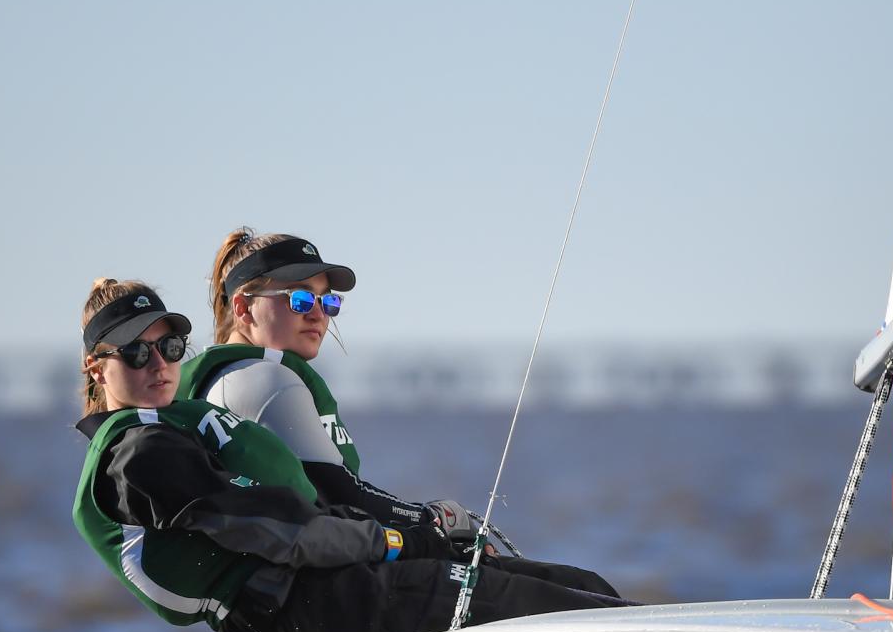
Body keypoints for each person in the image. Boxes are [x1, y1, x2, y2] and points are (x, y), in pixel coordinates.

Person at [74, 279, 631, 632]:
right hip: (314, 608)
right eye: (135, 352)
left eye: (169, 347)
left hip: (329, 592)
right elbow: (281, 530)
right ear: (98, 368)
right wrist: (400, 538)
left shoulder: (170, 426)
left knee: (577, 584)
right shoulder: (136, 455)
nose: (158, 363)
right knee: (564, 607)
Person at [180, 227, 620, 597]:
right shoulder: (264, 379)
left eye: (327, 302)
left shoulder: (219, 381)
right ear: (242, 307)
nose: (318, 314)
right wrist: (435, 521)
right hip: (338, 593)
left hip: (312, 587)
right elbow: (340, 494)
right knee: (582, 587)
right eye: (299, 300)